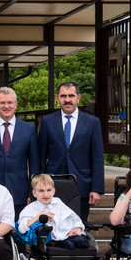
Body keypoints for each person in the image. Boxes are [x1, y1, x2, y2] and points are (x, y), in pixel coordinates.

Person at [38, 82, 104, 219]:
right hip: (53, 185)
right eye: (63, 96)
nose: (67, 100)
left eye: (71, 96)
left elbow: (97, 158)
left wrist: (97, 188)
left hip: (82, 185)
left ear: (78, 98)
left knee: (79, 228)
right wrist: (39, 185)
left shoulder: (92, 122)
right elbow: (41, 156)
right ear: (57, 98)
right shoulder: (47, 121)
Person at [0, 87, 40, 217]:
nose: (6, 106)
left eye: (10, 102)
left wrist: (32, 192)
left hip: (20, 193)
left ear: (15, 105)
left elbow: (34, 164)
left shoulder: (29, 130)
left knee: (18, 233)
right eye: (2, 103)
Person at [16, 174, 89, 249]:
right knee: (70, 246)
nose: (46, 195)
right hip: (50, 240)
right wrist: (40, 215)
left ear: (53, 191)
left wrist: (77, 229)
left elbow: (74, 218)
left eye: (49, 190)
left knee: (82, 242)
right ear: (34, 193)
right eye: (41, 191)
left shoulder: (57, 202)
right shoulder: (30, 209)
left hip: (68, 233)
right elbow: (21, 229)